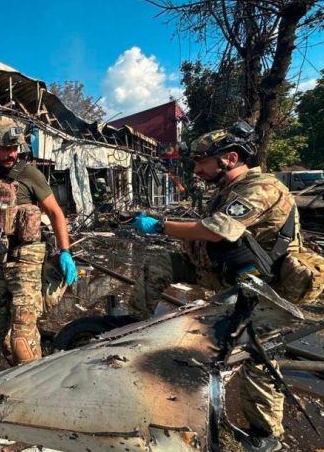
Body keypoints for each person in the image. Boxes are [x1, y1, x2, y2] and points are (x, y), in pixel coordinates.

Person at [128, 122, 303, 452]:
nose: (196, 170)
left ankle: (266, 434)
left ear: (230, 158)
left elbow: (216, 231)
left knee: (257, 355)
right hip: (223, 274)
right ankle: (132, 333)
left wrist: (162, 226)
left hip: (262, 286)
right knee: (159, 264)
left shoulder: (262, 188)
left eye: (201, 162)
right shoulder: (228, 191)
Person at [0, 119, 77, 366]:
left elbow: (56, 212)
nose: (12, 154)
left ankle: (34, 389)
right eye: (5, 149)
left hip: (25, 263)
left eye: (15, 148)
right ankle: (17, 374)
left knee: (22, 339)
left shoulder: (29, 174)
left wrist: (65, 251)